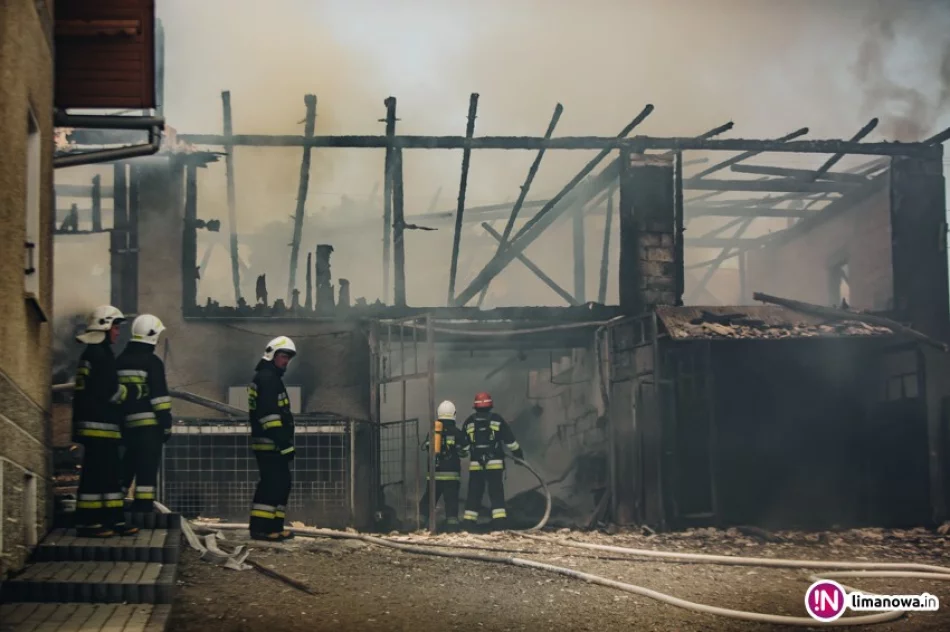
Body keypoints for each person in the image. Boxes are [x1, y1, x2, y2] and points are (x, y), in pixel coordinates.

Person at [71, 305, 138, 537]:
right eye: (116, 327)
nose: (118, 333)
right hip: (101, 427)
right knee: (97, 476)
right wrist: (132, 391)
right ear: (105, 327)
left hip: (97, 428)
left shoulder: (92, 354)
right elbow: (111, 392)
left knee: (108, 474)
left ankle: (113, 520)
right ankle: (89, 523)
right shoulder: (101, 355)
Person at [116, 314, 172, 513]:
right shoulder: (152, 362)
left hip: (125, 426)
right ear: (152, 336)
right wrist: (166, 424)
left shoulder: (120, 360)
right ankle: (143, 509)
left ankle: (116, 504)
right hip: (150, 427)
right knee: (146, 469)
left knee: (127, 464)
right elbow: (160, 398)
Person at [248, 336, 297, 541]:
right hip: (270, 442)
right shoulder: (268, 378)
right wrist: (283, 443)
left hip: (272, 442)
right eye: (283, 356)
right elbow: (270, 416)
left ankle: (274, 526)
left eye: (287, 358)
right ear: (272, 354)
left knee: (281, 482)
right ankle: (261, 529)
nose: (286, 361)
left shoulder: (269, 377)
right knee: (273, 483)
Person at [461, 392, 523, 531]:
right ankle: (499, 523)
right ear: (490, 406)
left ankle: (469, 524)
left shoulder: (469, 422)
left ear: (475, 407)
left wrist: (466, 452)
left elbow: (463, 446)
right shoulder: (497, 420)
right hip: (494, 465)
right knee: (496, 493)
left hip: (476, 465)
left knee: (474, 494)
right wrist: (518, 455)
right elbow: (510, 441)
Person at [418, 400, 470, 531]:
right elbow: (465, 451)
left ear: (438, 414)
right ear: (453, 414)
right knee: (451, 501)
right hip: (451, 476)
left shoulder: (432, 432)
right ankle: (451, 528)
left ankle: (418, 523)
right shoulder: (457, 432)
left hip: (434, 475)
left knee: (428, 500)